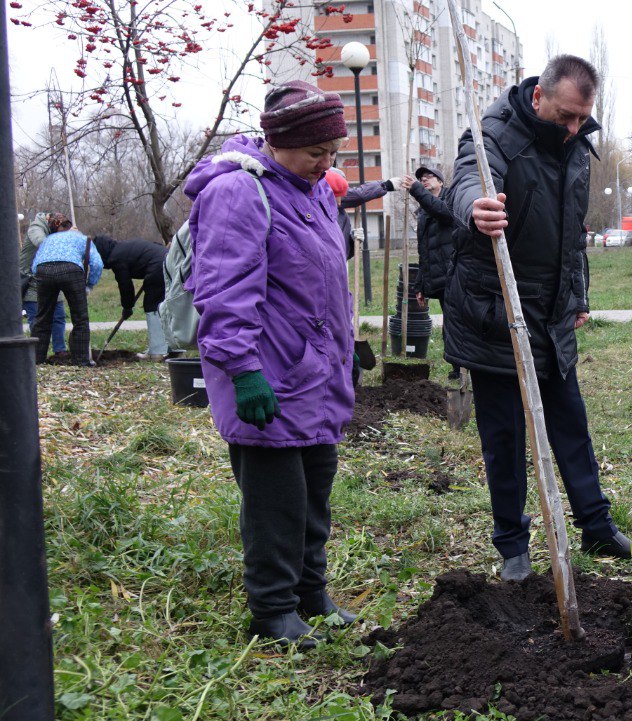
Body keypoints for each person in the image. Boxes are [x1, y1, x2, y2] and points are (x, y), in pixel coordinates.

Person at [447, 54, 632, 581]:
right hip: (497, 306)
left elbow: (573, 234)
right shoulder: (491, 134)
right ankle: (513, 548)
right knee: (504, 435)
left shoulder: (577, 146)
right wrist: (476, 208)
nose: (572, 128)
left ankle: (597, 527)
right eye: (564, 116)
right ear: (538, 97)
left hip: (554, 311)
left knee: (570, 420)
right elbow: (466, 181)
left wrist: (578, 294)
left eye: (581, 119)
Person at [184, 80, 356, 649]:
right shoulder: (239, 192)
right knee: (275, 502)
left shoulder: (312, 191)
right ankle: (272, 610)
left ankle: (311, 594)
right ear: (277, 143)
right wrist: (243, 370)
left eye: (333, 154)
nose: (325, 165)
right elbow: (224, 289)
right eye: (316, 154)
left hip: (313, 373)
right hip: (269, 376)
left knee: (314, 491)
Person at [30, 216, 102, 366]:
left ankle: (36, 360)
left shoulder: (48, 240)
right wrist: (89, 285)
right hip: (71, 269)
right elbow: (97, 263)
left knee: (42, 318)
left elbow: (34, 266)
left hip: (43, 270)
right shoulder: (80, 238)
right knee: (80, 318)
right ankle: (81, 360)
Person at [408, 164, 457, 378]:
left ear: (441, 182)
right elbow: (424, 252)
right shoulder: (423, 213)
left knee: (455, 322)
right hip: (438, 277)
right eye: (421, 178)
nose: (425, 180)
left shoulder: (450, 201)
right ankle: (457, 366)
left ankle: (461, 368)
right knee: (450, 322)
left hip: (455, 275)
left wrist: (417, 190)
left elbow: (444, 214)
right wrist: (420, 285)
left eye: (429, 177)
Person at [91, 235, 170, 360]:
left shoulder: (116, 258)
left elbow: (125, 285)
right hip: (168, 261)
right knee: (166, 307)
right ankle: (172, 349)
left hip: (158, 265)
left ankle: (157, 352)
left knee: (152, 306)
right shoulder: (122, 248)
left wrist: (127, 307)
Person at [20, 212, 70, 358]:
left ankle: (60, 350)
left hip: (52, 277)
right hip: (31, 281)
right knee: (36, 319)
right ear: (54, 225)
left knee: (58, 316)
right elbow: (41, 243)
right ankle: (37, 352)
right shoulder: (36, 228)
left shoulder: (56, 231)